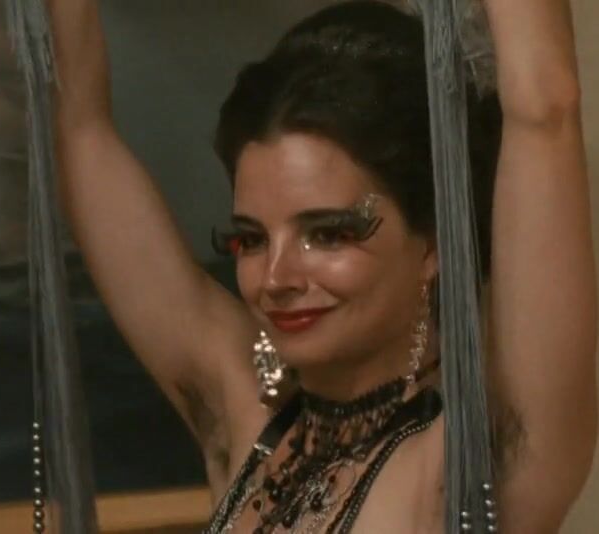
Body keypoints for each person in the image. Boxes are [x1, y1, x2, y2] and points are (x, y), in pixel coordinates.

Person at [47, 0, 595, 531]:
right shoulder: (243, 415)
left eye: (328, 234)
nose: (276, 279)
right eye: (252, 240)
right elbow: (82, 128)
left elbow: (545, 109)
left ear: (433, 244)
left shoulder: (471, 463)